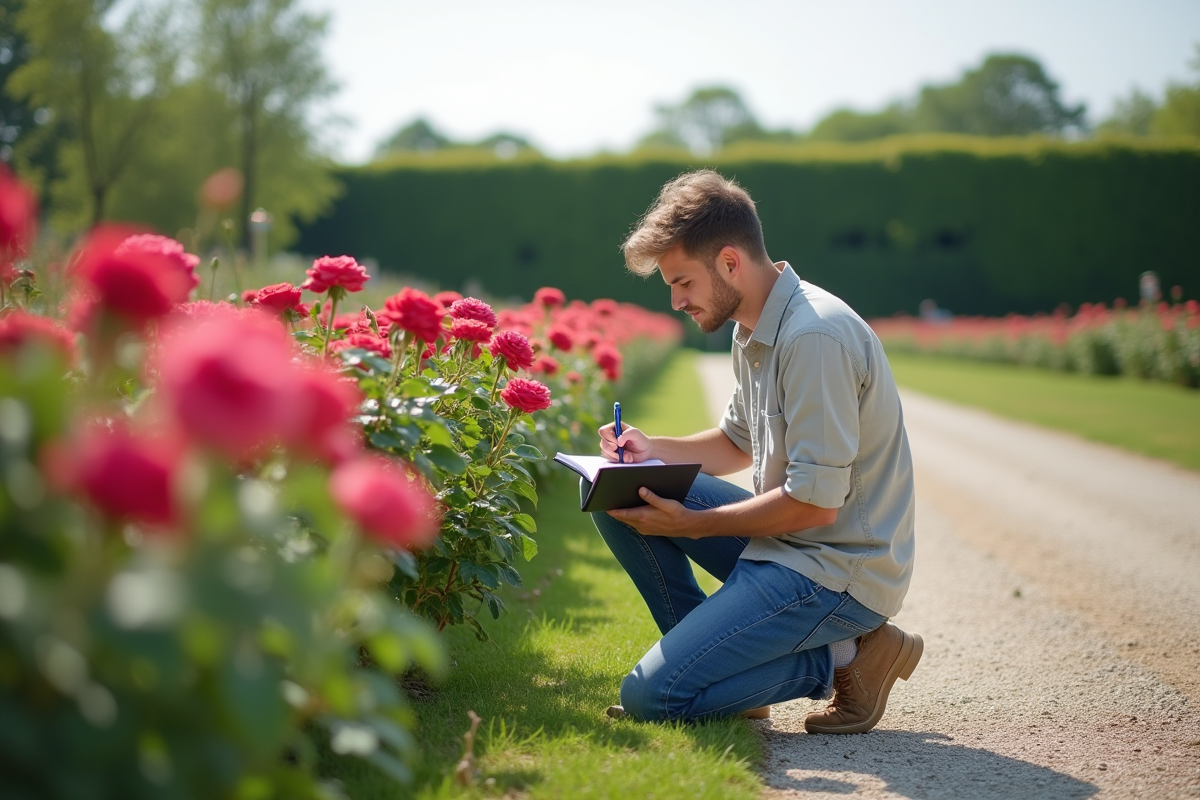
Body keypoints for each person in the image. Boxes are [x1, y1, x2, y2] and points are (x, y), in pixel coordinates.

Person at [590, 169, 921, 734]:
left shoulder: (814, 337)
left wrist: (694, 523)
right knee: (608, 487)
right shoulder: (754, 329)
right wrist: (650, 449)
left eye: (683, 282)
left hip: (834, 570)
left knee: (651, 699)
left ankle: (850, 653)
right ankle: (723, 683)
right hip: (789, 547)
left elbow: (817, 507)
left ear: (728, 263)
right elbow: (735, 443)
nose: (675, 301)